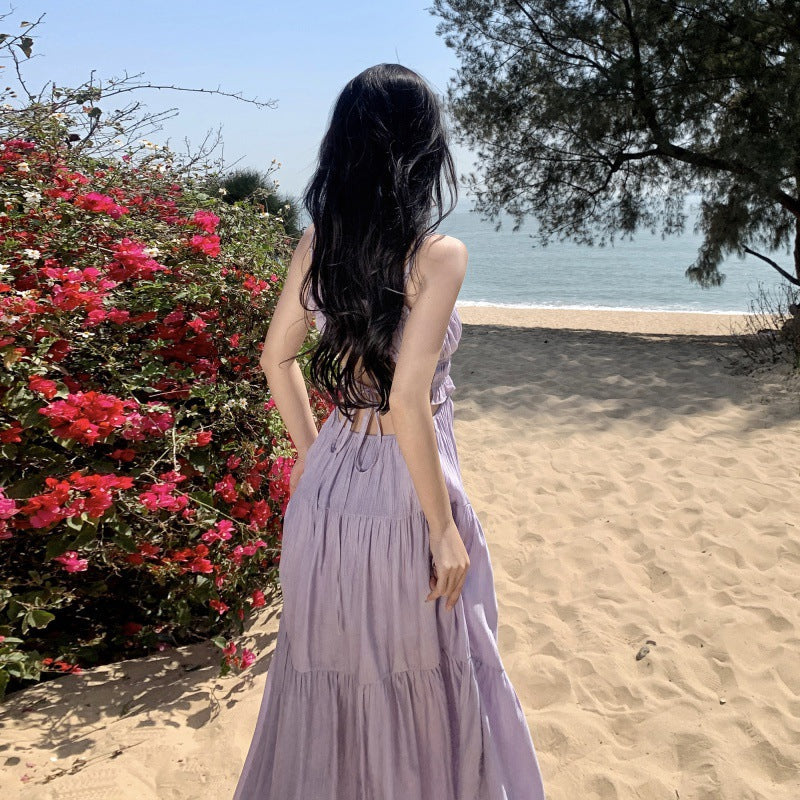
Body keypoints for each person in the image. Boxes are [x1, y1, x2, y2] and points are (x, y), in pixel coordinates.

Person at [232, 63, 546, 800]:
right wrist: (442, 527)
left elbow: (276, 359)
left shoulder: (317, 243)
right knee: (427, 669)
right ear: (421, 148)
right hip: (406, 495)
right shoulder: (440, 256)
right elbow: (409, 400)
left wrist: (313, 455)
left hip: (328, 484)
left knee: (327, 671)